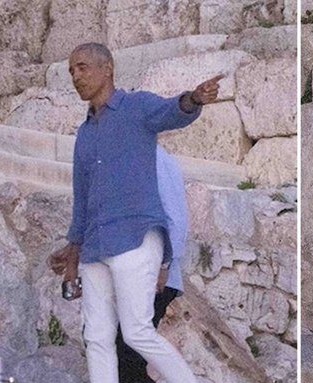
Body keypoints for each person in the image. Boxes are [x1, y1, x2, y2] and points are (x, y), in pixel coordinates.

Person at [51, 42, 221, 383]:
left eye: (82, 67)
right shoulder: (84, 134)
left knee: (137, 333)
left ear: (108, 68)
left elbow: (173, 110)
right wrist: (73, 252)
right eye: (71, 70)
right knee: (96, 338)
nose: (76, 76)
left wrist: (195, 98)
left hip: (136, 238)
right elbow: (81, 200)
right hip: (96, 247)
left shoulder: (136, 106)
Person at [50, 145, 190, 383]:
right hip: (120, 271)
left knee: (128, 355)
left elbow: (176, 219)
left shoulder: (155, 158)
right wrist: (72, 251)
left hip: (152, 273)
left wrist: (163, 266)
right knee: (108, 347)